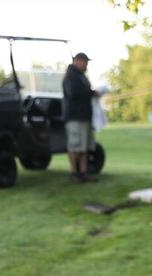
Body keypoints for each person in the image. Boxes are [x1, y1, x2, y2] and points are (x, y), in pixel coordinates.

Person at [62, 52, 99, 183]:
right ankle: (74, 173)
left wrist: (92, 93)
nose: (86, 65)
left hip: (84, 116)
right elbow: (74, 93)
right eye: (85, 62)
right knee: (75, 146)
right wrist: (90, 93)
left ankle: (83, 173)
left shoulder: (82, 76)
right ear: (77, 61)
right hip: (74, 117)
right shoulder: (70, 76)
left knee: (84, 147)